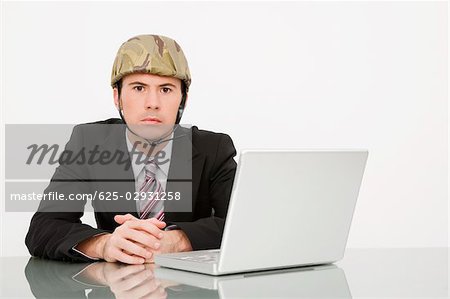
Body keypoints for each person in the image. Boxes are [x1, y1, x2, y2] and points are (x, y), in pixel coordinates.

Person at [25, 34, 237, 264]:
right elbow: (44, 228)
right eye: (138, 88)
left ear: (183, 100)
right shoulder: (89, 142)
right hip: (115, 285)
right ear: (117, 97)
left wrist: (177, 241)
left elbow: (244, 224)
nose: (152, 103)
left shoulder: (214, 149)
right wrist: (104, 244)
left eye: (166, 90)